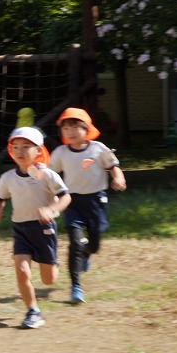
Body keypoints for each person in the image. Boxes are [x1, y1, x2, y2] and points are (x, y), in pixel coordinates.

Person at [0, 127, 71, 329]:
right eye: (15, 147)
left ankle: (54, 264)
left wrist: (52, 210)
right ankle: (33, 311)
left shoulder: (48, 175)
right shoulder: (7, 177)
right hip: (20, 229)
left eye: (26, 147)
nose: (20, 151)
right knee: (21, 270)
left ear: (38, 150)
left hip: (44, 229)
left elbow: (65, 197)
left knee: (48, 280)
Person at [49, 107, 127, 304]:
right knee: (74, 243)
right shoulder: (60, 152)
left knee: (95, 245)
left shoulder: (99, 149)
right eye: (66, 128)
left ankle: (87, 252)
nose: (71, 131)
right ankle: (76, 286)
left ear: (86, 128)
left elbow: (113, 167)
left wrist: (118, 179)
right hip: (71, 202)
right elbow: (49, 175)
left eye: (75, 127)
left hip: (95, 202)